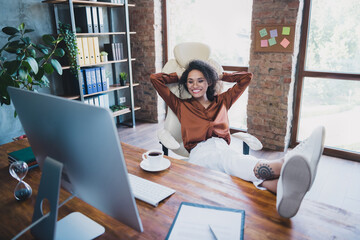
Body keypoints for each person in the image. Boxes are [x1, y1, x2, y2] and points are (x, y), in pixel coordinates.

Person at [150, 60, 325, 218]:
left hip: (222, 148)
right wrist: (179, 76)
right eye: (190, 81)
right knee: (231, 161)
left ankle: (279, 187)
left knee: (234, 166)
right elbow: (155, 79)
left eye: (201, 80)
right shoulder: (181, 105)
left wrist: (218, 75)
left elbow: (246, 77)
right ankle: (283, 163)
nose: (195, 85)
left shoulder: (223, 101)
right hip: (200, 153)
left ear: (209, 82)